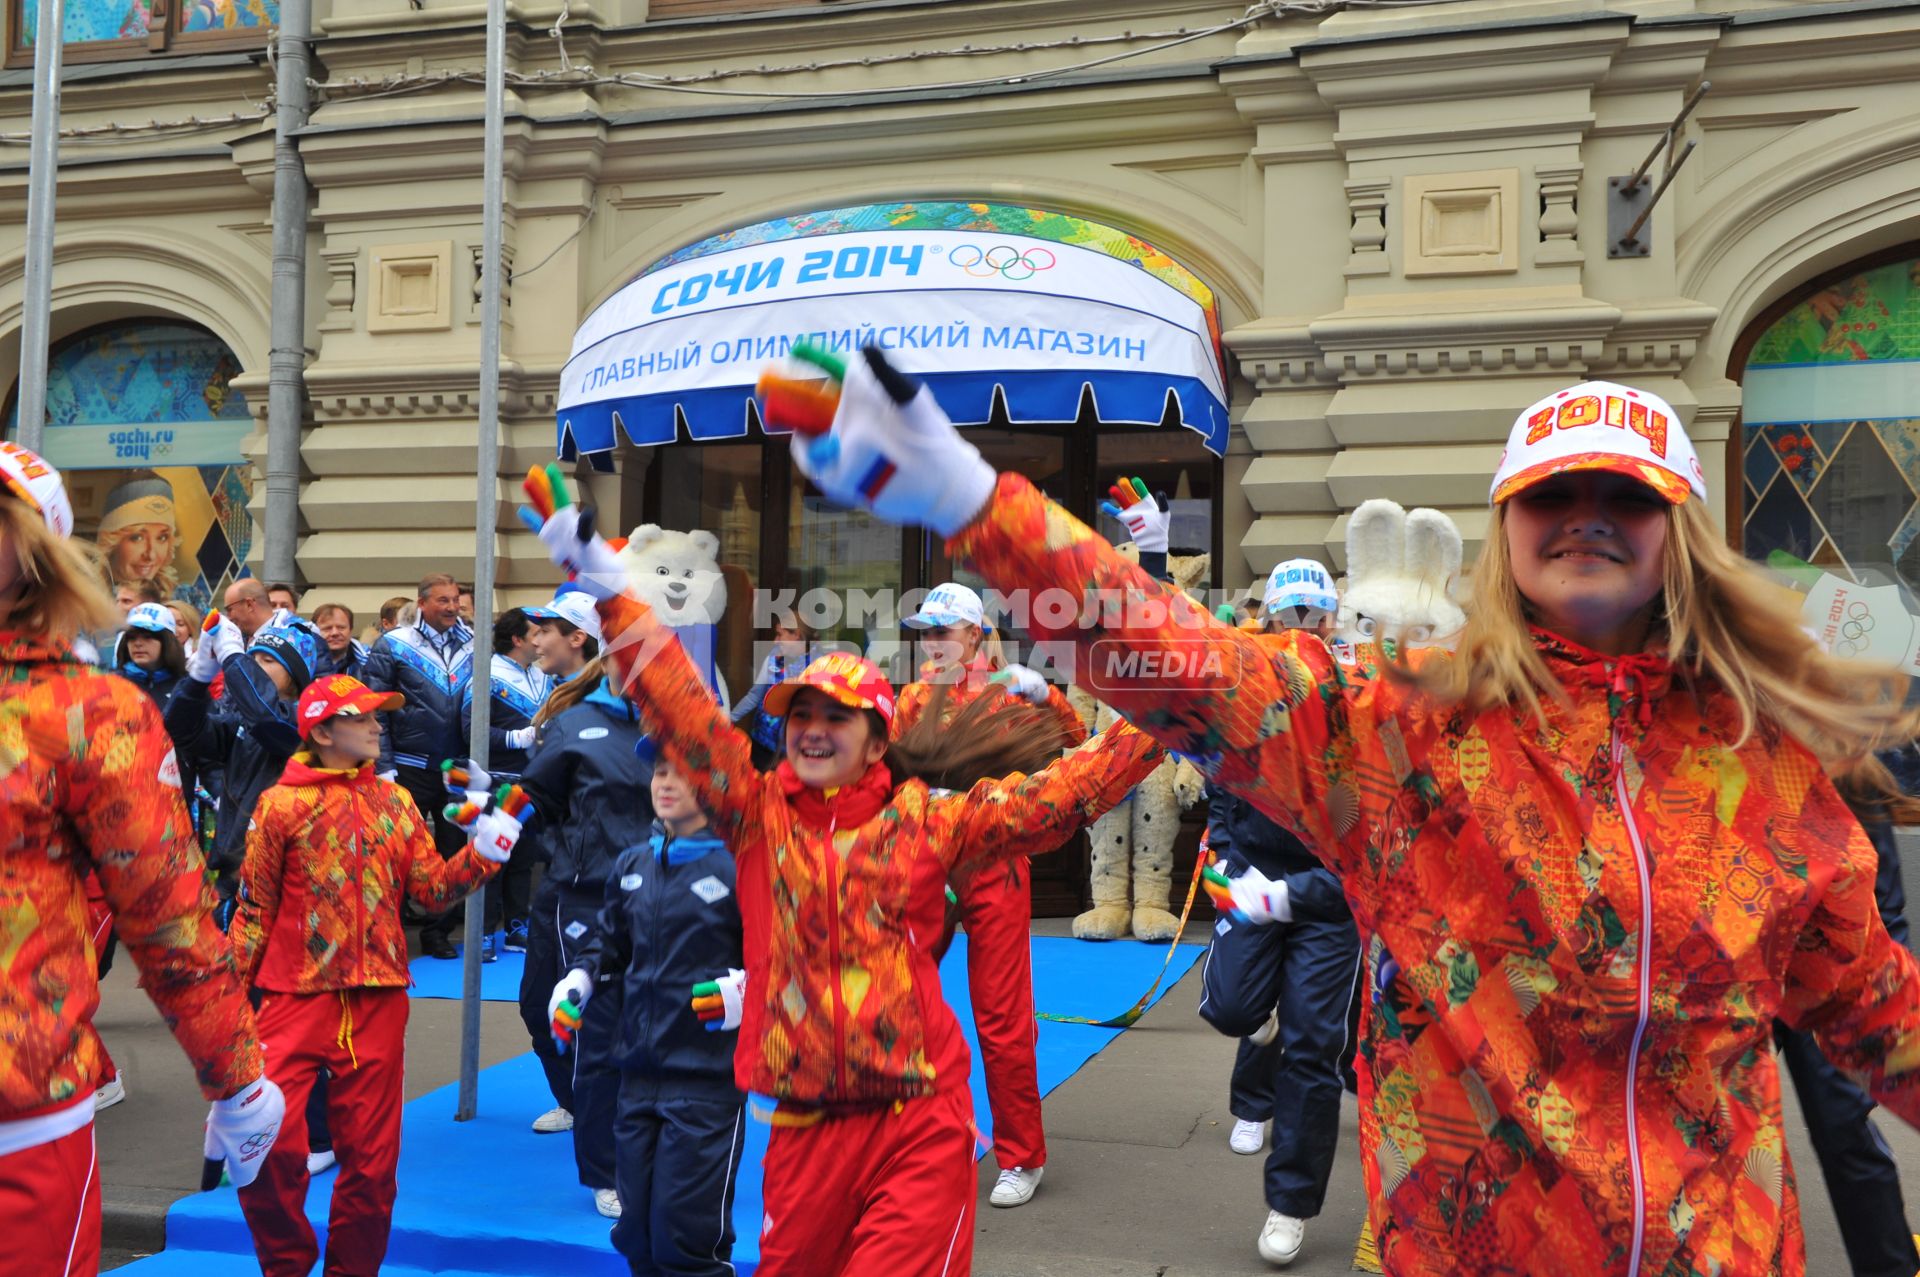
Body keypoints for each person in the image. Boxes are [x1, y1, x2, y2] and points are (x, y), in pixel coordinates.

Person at [781, 349, 1920, 1276]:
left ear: (1683, 530)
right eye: (1552, 495)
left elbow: (1878, 1011)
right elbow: (1193, 669)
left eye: (1626, 495)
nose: (1587, 517)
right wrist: (978, 505)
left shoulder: (1759, 763)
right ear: (1506, 531)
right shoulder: (1409, 734)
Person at [523, 466, 1169, 1275]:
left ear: (874, 737)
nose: (815, 729)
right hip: (802, 1125)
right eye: (802, 714)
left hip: (917, 1117)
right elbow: (685, 715)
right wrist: (612, 594)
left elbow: (1068, 787)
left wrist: (1177, 691)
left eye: (839, 716)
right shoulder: (757, 817)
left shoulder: (929, 820)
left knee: (1005, 1019)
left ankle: (1020, 1149)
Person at [0, 441, 281, 1277]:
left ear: (33, 551)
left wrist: (236, 1080)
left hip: (19, 1120)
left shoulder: (86, 711)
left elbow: (167, 918)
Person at [230, 674, 519, 1276]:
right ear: (324, 730)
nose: (377, 726)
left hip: (380, 1001)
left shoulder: (396, 802)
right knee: (267, 1148)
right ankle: (286, 1265)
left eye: (376, 716)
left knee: (372, 1162)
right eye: (362, 717)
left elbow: (431, 890)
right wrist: (226, 1012)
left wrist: (485, 853)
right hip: (294, 996)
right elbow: (253, 908)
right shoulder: (280, 804)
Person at [891, 580, 1088, 1210]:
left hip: (995, 862)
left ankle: (1021, 1155)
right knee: (896, 1003)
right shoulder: (914, 696)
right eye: (926, 631)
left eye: (943, 631)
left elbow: (1078, 743)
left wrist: (1049, 696)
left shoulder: (1012, 692)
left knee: (1001, 1020)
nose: (932, 642)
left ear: (975, 635)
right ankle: (906, 1142)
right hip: (925, 863)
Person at [1196, 557, 1362, 1265]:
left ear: (1328, 621)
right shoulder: (1248, 694)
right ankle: (1264, 1010)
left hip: (1326, 901)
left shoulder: (1356, 700)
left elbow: (1370, 843)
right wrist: (1230, 863)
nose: (1296, 633)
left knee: (1312, 1050)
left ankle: (1289, 1204)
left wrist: (1294, 894)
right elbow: (1225, 790)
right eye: (1283, 618)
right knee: (1234, 1011)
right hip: (1256, 877)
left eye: (1308, 618)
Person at [549, 759, 746, 1274]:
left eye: (681, 772)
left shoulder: (742, 864)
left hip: (708, 1083)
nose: (665, 783)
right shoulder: (632, 863)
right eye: (659, 771)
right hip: (635, 1077)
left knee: (685, 1243)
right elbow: (606, 944)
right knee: (635, 1235)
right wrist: (578, 982)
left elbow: (790, 955)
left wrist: (746, 990)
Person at [517, 592, 647, 1219]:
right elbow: (535, 801)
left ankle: (651, 1152)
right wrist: (571, 853)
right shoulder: (571, 719)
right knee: (593, 1030)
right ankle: (606, 1168)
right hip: (587, 894)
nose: (536, 637)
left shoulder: (670, 717)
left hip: (658, 894)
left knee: (651, 1026)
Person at [363, 572, 475, 960]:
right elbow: (374, 707)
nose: (451, 607)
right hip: (408, 767)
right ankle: (386, 931)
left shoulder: (477, 643)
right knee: (396, 853)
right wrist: (384, 764)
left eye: (455, 600)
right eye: (443, 600)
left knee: (452, 851)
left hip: (457, 767)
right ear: (422, 603)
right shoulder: (393, 644)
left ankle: (438, 932)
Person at [462, 607, 552, 958]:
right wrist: (517, 738)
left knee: (523, 859)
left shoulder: (542, 675)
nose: (542, 639)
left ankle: (517, 927)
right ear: (517, 640)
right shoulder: (485, 674)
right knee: (492, 857)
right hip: (495, 780)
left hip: (531, 781)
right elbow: (471, 730)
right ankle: (483, 932)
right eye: (536, 633)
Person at [730, 609, 810, 768]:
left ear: (797, 635)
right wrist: (729, 718)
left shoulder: (816, 666)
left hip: (793, 754)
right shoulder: (773, 658)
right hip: (760, 745)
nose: (775, 641)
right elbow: (754, 696)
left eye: (780, 635)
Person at [96, 472, 178, 594]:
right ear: (111, 542)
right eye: (138, 537)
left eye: (162, 537)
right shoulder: (84, 601)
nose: (151, 555)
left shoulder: (185, 598)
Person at [113, 600, 191, 712]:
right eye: (131, 637)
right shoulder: (112, 685)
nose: (138, 643)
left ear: (166, 641)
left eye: (147, 637)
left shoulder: (187, 688)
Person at [312, 602, 367, 680]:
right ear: (315, 632)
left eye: (341, 627)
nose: (335, 633)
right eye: (327, 628)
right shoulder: (304, 662)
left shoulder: (369, 661)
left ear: (350, 630)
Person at [222, 577, 275, 646]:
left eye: (229, 610)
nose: (229, 617)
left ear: (249, 604)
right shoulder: (240, 640)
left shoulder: (285, 641)